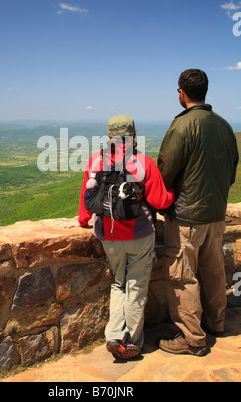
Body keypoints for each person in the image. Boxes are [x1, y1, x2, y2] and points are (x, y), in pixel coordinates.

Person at [77, 115, 175, 359]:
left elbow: (87, 198)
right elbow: (160, 201)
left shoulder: (96, 160)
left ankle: (114, 337)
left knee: (118, 283)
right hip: (140, 235)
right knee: (136, 286)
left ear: (109, 136)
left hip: (108, 235)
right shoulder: (143, 162)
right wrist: (174, 194)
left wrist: (82, 221)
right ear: (133, 135)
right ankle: (131, 340)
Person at [157, 69, 239, 356]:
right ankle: (217, 322)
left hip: (186, 216)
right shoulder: (225, 126)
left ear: (182, 92)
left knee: (182, 276)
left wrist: (161, 202)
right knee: (214, 270)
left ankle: (192, 338)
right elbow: (231, 171)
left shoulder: (182, 126)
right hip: (216, 214)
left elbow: (165, 171)